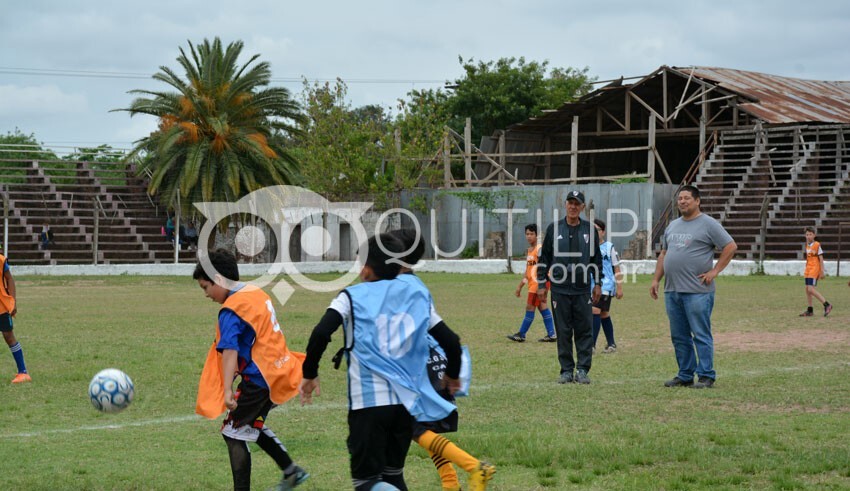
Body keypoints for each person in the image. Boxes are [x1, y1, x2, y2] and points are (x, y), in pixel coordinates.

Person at [299, 233, 463, 491]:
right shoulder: (415, 295)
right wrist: (452, 375)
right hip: (405, 406)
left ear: (365, 270)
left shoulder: (351, 296)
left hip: (369, 405)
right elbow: (451, 341)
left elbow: (321, 333)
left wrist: (309, 373)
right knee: (393, 475)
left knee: (366, 483)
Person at [193, 249, 309, 491]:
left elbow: (230, 351)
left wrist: (227, 391)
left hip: (260, 380)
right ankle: (291, 471)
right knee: (248, 424)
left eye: (206, 287)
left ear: (219, 280)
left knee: (232, 432)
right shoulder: (255, 293)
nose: (206, 294)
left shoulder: (231, 310)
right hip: (281, 371)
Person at [390, 229, 495, 491]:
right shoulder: (414, 283)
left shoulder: (400, 286)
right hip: (429, 360)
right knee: (424, 430)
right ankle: (451, 484)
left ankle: (474, 466)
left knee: (411, 427)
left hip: (419, 366)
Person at [650, 185, 737, 389]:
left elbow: (730, 246)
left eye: (687, 198)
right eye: (680, 198)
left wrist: (714, 271)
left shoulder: (708, 224)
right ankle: (685, 374)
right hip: (672, 291)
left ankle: (706, 375)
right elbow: (664, 254)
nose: (682, 201)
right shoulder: (672, 225)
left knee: (700, 333)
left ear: (697, 201)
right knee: (679, 336)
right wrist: (656, 279)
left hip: (697, 291)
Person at [536, 190, 603, 385]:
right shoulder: (553, 229)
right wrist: (542, 283)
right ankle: (566, 370)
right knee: (563, 331)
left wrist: (597, 283)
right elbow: (545, 258)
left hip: (582, 289)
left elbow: (595, 260)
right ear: (565, 205)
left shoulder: (590, 230)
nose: (573, 206)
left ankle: (582, 369)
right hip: (559, 288)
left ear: (582, 207)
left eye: (577, 203)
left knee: (584, 330)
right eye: (570, 203)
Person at [506, 224, 557, 343]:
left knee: (530, 307)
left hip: (538, 283)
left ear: (536, 235)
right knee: (542, 306)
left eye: (531, 234)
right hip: (533, 283)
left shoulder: (539, 249)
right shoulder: (529, 251)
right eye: (527, 234)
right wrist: (520, 286)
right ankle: (552, 334)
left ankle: (521, 334)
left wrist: (543, 283)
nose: (529, 236)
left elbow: (545, 265)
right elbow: (527, 271)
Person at [591, 219, 624, 353]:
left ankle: (591, 345)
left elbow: (617, 268)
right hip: (591, 286)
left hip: (605, 285)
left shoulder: (609, 247)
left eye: (597, 230)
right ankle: (611, 344)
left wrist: (619, 287)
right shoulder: (588, 248)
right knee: (604, 314)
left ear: (603, 232)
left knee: (595, 310)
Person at [1, 252, 30, 384]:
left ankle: (23, 372)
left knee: (9, 336)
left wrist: (13, 301)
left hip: (1, 306)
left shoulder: (1, 261)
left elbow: (10, 279)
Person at [800, 227, 832, 317]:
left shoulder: (817, 245)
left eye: (810, 234)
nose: (808, 236)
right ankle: (810, 310)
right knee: (807, 289)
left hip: (815, 268)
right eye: (807, 234)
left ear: (814, 235)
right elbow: (808, 258)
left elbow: (821, 259)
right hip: (808, 268)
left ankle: (827, 305)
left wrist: (822, 271)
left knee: (810, 289)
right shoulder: (807, 245)